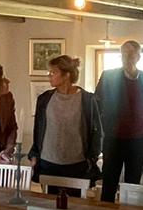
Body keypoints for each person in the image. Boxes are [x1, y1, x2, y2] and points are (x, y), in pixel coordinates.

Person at [96, 40, 143, 202]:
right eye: (123, 54)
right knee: (109, 182)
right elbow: (96, 106)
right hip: (113, 139)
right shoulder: (108, 77)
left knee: (133, 185)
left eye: (130, 54)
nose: (126, 57)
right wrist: (100, 132)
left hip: (139, 140)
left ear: (138, 57)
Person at [28, 54, 101, 190]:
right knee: (49, 202)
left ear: (66, 75)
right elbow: (38, 130)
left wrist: (92, 159)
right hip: (48, 163)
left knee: (75, 202)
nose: (49, 76)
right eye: (49, 72)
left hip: (77, 165)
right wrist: (34, 155)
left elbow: (97, 133)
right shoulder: (44, 99)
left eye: (53, 72)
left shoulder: (87, 100)